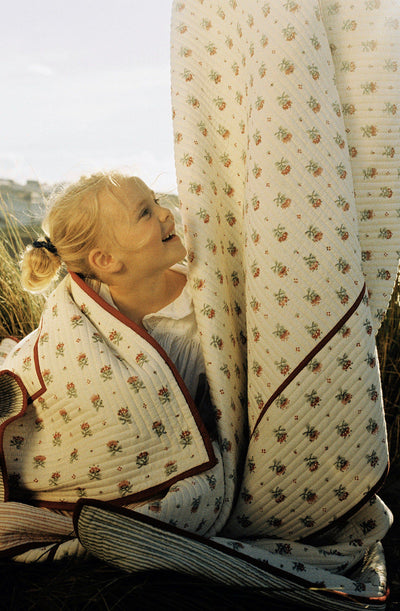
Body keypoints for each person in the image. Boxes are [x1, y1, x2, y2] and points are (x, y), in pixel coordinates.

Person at [0, 171, 223, 553]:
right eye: (145, 212)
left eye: (156, 200)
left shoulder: (204, 300)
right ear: (106, 260)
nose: (166, 213)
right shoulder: (83, 319)